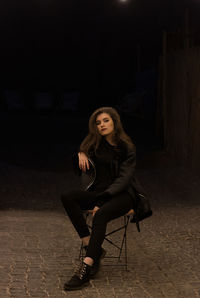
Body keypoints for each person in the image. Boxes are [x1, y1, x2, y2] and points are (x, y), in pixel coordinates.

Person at [61, 106, 146, 291]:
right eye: (98, 123)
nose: (102, 125)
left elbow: (124, 179)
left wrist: (101, 201)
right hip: (99, 193)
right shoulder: (94, 145)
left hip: (123, 195)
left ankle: (86, 266)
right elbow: (79, 166)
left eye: (106, 120)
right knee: (67, 197)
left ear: (115, 122)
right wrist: (80, 153)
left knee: (100, 215)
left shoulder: (127, 147)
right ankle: (92, 247)